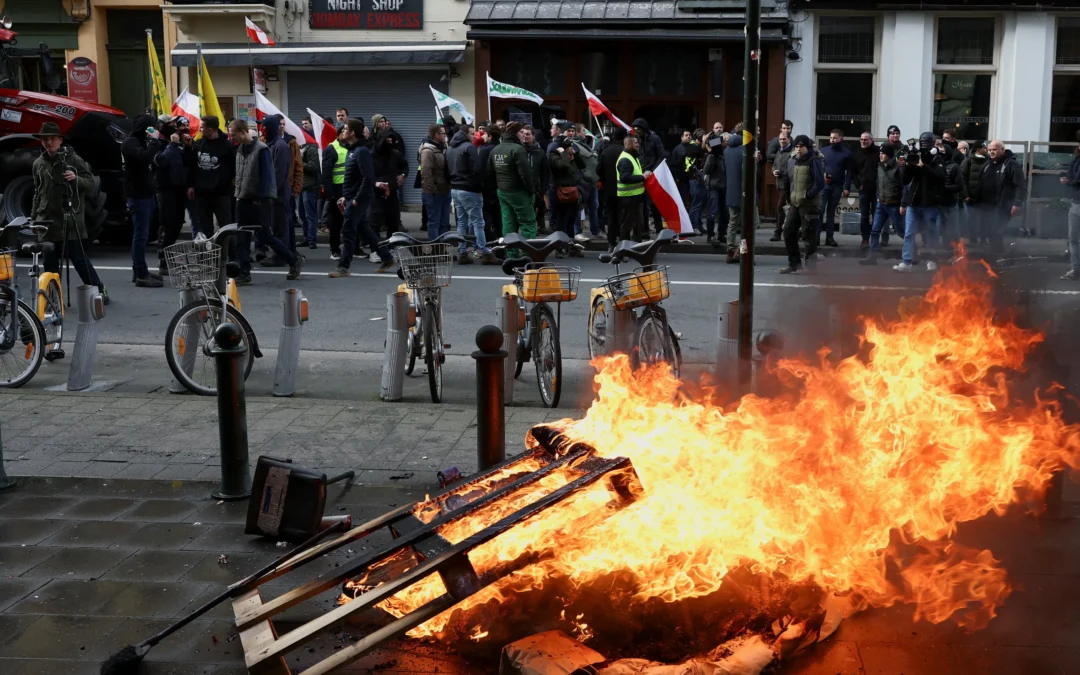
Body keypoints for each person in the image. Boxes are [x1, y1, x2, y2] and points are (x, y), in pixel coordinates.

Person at [30, 122, 108, 310]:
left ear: (60, 140)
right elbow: (38, 192)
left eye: (52, 138)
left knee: (79, 259)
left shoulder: (73, 159)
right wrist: (33, 219)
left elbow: (91, 184)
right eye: (45, 139)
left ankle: (99, 290)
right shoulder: (38, 164)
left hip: (70, 218)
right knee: (50, 263)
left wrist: (76, 179)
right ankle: (53, 297)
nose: (48, 142)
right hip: (47, 220)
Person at [229, 119, 302, 280]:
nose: (232, 137)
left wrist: (261, 198)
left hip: (258, 201)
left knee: (265, 236)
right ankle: (244, 272)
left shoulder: (261, 149)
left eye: (234, 134)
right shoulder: (241, 149)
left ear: (243, 132)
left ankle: (293, 259)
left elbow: (268, 177)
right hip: (242, 197)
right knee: (242, 236)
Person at [330, 119, 393, 277]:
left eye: (345, 129)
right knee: (364, 230)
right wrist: (345, 196)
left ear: (352, 133)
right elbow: (352, 177)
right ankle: (387, 257)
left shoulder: (362, 151)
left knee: (348, 229)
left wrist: (357, 199)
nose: (342, 131)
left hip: (359, 198)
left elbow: (368, 178)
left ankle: (343, 266)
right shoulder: (352, 150)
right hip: (352, 196)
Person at [122, 114, 164, 287]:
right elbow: (145, 158)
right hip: (138, 195)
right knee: (140, 236)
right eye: (151, 127)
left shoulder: (140, 141)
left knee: (143, 235)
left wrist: (155, 141)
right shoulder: (130, 143)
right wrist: (153, 141)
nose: (154, 131)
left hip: (146, 193)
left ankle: (140, 270)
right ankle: (140, 273)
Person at [895, 132, 946, 273]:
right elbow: (905, 180)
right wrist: (908, 166)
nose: (924, 145)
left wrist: (924, 166)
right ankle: (906, 262)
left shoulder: (937, 158)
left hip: (930, 202)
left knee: (930, 233)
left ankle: (931, 260)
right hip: (914, 202)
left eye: (927, 142)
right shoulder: (916, 156)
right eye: (922, 142)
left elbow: (940, 177)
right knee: (909, 233)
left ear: (933, 143)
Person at [447, 123, 495, 264]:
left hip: (455, 188)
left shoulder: (450, 148)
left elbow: (446, 169)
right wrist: (479, 186)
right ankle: (485, 252)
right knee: (478, 222)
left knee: (462, 222)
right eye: (472, 133)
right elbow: (477, 169)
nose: (474, 136)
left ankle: (462, 252)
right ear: (465, 134)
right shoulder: (469, 147)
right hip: (469, 189)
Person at [488, 121, 538, 256]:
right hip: (519, 191)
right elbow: (525, 173)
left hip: (503, 191)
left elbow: (490, 172)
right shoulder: (518, 149)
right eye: (521, 132)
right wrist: (532, 190)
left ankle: (512, 255)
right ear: (515, 133)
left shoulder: (495, 149)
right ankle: (529, 254)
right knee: (528, 223)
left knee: (508, 224)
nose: (523, 134)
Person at [152, 115, 192, 277]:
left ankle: (170, 257)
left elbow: (187, 163)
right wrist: (173, 145)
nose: (173, 126)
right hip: (165, 189)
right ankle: (163, 260)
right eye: (169, 124)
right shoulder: (157, 143)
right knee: (167, 224)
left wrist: (188, 147)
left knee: (176, 225)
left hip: (179, 189)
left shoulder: (176, 143)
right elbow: (161, 161)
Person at [778, 135, 825, 274]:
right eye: (797, 147)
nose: (799, 149)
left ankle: (811, 267)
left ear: (807, 147)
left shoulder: (814, 161)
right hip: (795, 202)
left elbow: (819, 183)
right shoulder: (792, 161)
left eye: (801, 146)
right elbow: (787, 179)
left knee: (808, 235)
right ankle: (794, 263)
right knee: (788, 231)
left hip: (809, 204)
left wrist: (807, 194)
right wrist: (789, 196)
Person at [976, 140, 1027, 257]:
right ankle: (991, 258)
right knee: (986, 232)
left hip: (1002, 206)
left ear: (1002, 150)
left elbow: (1021, 186)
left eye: (994, 149)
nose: (991, 152)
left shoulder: (1011, 165)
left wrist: (1017, 203)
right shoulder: (987, 164)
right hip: (986, 206)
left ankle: (999, 257)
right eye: (989, 150)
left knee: (995, 231)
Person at [190, 115, 235, 240]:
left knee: (226, 227)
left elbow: (235, 168)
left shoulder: (227, 146)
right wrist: (191, 186)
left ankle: (230, 256)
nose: (199, 130)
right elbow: (192, 167)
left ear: (210, 130)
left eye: (202, 127)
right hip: (201, 195)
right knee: (205, 228)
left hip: (221, 194)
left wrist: (230, 183)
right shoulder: (199, 144)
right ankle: (208, 257)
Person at [859, 144, 903, 265]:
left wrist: (902, 204)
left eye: (883, 153)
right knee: (874, 230)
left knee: (901, 231)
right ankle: (872, 257)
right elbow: (879, 183)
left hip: (894, 204)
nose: (880, 155)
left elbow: (903, 187)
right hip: (882, 203)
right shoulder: (880, 166)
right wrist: (878, 196)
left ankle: (914, 253)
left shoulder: (898, 168)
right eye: (880, 153)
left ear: (888, 155)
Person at [723, 124, 760, 264]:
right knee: (753, 223)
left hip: (732, 191)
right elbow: (749, 173)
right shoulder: (747, 150)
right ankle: (742, 251)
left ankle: (730, 251)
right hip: (747, 192)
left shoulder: (727, 149)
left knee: (733, 222)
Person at [549, 133, 586, 254]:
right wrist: (564, 154)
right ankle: (559, 245)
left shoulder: (571, 156)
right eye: (568, 146)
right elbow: (563, 167)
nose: (571, 148)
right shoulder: (554, 156)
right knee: (562, 220)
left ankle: (570, 245)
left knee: (572, 219)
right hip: (561, 191)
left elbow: (582, 165)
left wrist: (576, 154)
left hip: (573, 190)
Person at [371, 128, 407, 241]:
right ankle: (376, 248)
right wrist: (375, 183)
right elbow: (364, 174)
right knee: (374, 222)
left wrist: (403, 175)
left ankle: (391, 245)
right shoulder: (370, 155)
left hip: (392, 192)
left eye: (391, 141)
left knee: (393, 221)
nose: (390, 144)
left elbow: (405, 166)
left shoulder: (395, 154)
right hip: (375, 195)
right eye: (387, 141)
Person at [631, 118, 667, 232]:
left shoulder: (654, 138)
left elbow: (661, 155)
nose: (637, 132)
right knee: (642, 206)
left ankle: (659, 229)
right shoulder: (636, 139)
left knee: (654, 205)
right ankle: (645, 230)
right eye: (635, 130)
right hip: (640, 175)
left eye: (639, 130)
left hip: (652, 175)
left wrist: (653, 170)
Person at [819, 129, 854, 247]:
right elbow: (818, 167)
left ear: (841, 138)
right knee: (820, 211)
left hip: (837, 186)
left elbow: (849, 172)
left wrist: (847, 187)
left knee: (831, 213)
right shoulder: (823, 151)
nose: (832, 140)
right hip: (824, 186)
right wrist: (822, 175)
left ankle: (830, 237)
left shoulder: (847, 153)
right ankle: (816, 237)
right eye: (831, 138)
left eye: (834, 138)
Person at [419, 123, 451, 240]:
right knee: (434, 222)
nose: (445, 136)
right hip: (434, 194)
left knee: (444, 223)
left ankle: (442, 248)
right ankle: (435, 249)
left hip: (445, 191)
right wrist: (432, 190)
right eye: (443, 134)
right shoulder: (428, 151)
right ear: (436, 135)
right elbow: (426, 174)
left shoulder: (442, 148)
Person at [597, 127, 627, 251]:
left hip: (609, 188)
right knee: (623, 216)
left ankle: (611, 241)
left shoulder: (606, 151)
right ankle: (622, 241)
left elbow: (598, 169)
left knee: (611, 215)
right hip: (624, 188)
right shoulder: (625, 151)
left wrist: (604, 181)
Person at [321, 123, 348, 260]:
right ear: (338, 133)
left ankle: (352, 249)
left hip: (349, 190)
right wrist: (330, 195)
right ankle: (335, 249)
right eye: (344, 131)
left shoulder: (351, 147)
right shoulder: (331, 149)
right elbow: (326, 175)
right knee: (335, 223)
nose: (347, 133)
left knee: (352, 222)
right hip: (337, 191)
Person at [616, 133, 649, 242]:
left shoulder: (633, 157)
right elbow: (625, 178)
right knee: (627, 225)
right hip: (628, 198)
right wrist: (642, 177)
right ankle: (622, 249)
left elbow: (635, 174)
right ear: (628, 144)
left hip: (635, 197)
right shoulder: (625, 159)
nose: (638, 144)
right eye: (635, 143)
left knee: (638, 224)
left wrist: (643, 175)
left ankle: (636, 246)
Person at [671, 129, 704, 233]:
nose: (688, 136)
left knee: (696, 202)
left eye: (690, 135)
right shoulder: (678, 149)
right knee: (683, 202)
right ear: (681, 137)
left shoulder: (694, 147)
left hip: (692, 178)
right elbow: (674, 165)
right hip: (682, 180)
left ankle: (698, 224)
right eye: (686, 135)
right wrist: (677, 178)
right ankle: (686, 225)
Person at [853, 131, 880, 249]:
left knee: (876, 215)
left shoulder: (878, 151)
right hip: (863, 189)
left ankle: (875, 240)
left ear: (871, 140)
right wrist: (857, 184)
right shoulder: (857, 153)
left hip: (877, 189)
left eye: (866, 140)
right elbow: (853, 171)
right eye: (862, 139)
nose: (863, 142)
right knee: (864, 215)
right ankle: (865, 239)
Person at [523, 126, 551, 234]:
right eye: (524, 134)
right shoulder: (519, 150)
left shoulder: (539, 152)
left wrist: (543, 189)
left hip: (537, 188)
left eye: (528, 134)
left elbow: (545, 173)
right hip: (522, 189)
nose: (525, 136)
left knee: (538, 209)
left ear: (533, 136)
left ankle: (540, 227)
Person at [478, 125, 502, 244]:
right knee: (500, 220)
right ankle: (502, 244)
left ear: (490, 136)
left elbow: (481, 171)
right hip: (502, 189)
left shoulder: (485, 151)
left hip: (488, 191)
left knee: (487, 220)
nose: (483, 136)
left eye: (485, 134)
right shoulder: (502, 149)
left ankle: (490, 244)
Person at [960, 141, 988, 244]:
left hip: (986, 197)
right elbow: (962, 179)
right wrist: (965, 195)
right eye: (985, 147)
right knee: (972, 219)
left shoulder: (989, 161)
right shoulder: (968, 162)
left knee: (985, 220)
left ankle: (984, 239)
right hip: (971, 197)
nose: (987, 149)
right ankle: (973, 238)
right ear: (978, 149)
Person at [299, 117, 321, 250]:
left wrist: (300, 163)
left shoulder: (311, 148)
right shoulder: (299, 148)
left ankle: (312, 239)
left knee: (310, 214)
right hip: (300, 186)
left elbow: (314, 167)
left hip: (309, 186)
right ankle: (306, 237)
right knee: (301, 214)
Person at [702, 132, 727, 244]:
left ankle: (721, 234)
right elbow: (706, 171)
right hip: (714, 186)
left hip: (722, 186)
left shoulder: (723, 155)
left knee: (724, 212)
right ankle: (711, 235)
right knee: (712, 212)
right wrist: (711, 157)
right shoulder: (712, 157)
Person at [1061, 135, 1080, 281]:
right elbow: (1070, 175)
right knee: (1072, 239)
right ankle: (1075, 269)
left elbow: (1074, 179)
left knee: (1075, 240)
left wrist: (1071, 182)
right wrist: (1069, 181)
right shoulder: (1075, 160)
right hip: (1076, 203)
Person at [770, 131, 793, 242]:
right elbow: (774, 165)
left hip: (787, 185)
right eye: (780, 139)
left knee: (780, 208)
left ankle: (778, 232)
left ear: (789, 139)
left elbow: (791, 168)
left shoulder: (792, 152)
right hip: (779, 184)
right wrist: (774, 171)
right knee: (786, 209)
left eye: (784, 139)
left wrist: (781, 172)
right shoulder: (779, 151)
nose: (782, 141)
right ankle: (792, 231)